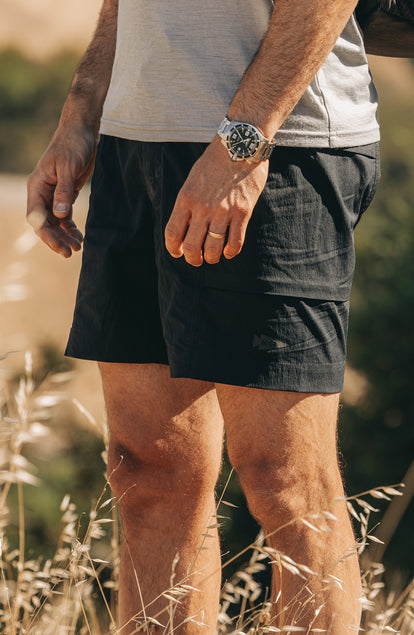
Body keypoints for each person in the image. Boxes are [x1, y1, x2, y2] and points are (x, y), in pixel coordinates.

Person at [26, 0, 380, 632]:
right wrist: (82, 110)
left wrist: (241, 143)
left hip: (275, 144)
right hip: (136, 140)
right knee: (148, 468)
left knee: (285, 482)